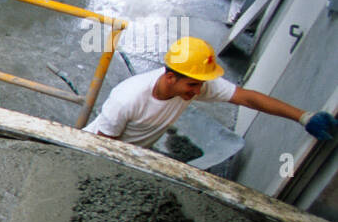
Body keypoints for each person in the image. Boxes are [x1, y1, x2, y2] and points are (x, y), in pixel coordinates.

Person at [85, 36, 336, 150]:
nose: (198, 92)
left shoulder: (193, 84)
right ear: (170, 77)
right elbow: (103, 146)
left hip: (136, 152)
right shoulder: (126, 99)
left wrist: (303, 116)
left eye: (199, 85)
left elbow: (247, 97)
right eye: (192, 86)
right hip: (96, 147)